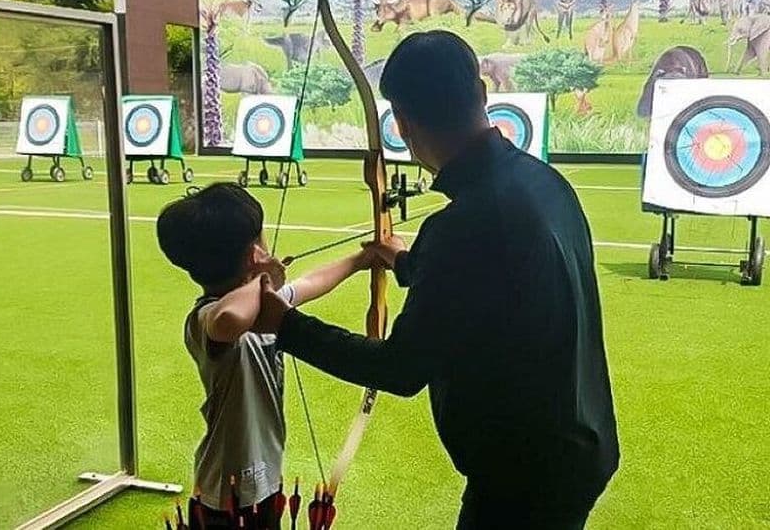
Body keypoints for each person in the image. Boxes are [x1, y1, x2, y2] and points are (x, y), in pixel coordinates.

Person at [253, 31, 620, 529]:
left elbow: (403, 369)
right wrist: (407, 262)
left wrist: (287, 325)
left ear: (402, 124)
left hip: (526, 475)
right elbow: (501, 288)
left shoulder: (463, 225)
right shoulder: (542, 181)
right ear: (483, 94)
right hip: (576, 445)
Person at [156, 182, 373, 528]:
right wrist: (261, 280)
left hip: (261, 481)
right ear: (254, 253)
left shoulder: (262, 303)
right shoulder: (204, 318)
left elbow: (309, 283)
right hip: (225, 493)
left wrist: (362, 260)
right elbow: (227, 320)